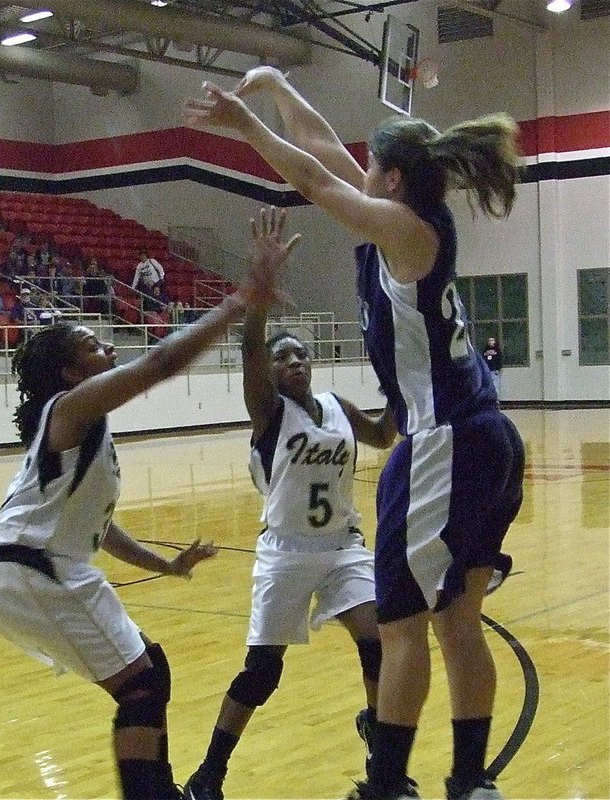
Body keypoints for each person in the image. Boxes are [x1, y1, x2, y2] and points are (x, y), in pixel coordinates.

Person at [183, 67, 525, 800]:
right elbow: (317, 148)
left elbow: (309, 175)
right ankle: (468, 782)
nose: (356, 169)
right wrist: (275, 83)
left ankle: (387, 786)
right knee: (456, 621)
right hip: (485, 436)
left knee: (401, 626)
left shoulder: (402, 230)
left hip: (444, 440)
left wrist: (244, 124)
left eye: (368, 164)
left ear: (392, 178)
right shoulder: (399, 216)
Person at [0, 207, 296, 800]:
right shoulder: (69, 410)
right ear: (71, 372)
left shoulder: (80, 434)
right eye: (93, 346)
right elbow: (160, 362)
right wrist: (240, 300)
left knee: (150, 670)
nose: (107, 349)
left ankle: (159, 791)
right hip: (31, 570)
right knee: (141, 686)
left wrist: (164, 565)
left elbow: (101, 530)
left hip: (30, 568)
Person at [183, 208, 396, 800]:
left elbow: (382, 436)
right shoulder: (269, 413)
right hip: (285, 554)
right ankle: (210, 773)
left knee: (377, 641)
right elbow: (252, 344)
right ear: (270, 372)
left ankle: (381, 748)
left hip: (342, 547)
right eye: (283, 357)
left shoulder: (336, 406)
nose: (294, 361)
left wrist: (411, 384)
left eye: (300, 354)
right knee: (263, 672)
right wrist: (257, 297)